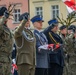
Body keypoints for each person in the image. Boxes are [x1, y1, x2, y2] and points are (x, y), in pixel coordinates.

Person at [0, 7, 14, 75]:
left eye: (7, 17)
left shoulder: (7, 29)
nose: (6, 19)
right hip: (1, 60)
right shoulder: (1, 27)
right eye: (4, 16)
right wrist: (3, 18)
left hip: (8, 59)